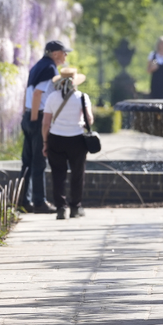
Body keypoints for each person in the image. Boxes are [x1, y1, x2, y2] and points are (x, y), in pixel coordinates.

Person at [20, 40, 71, 214]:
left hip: (27, 115)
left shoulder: (37, 66)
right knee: (38, 162)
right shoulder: (49, 68)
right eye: (64, 53)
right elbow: (37, 93)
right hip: (36, 117)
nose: (65, 56)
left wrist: (27, 117)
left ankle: (23, 201)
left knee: (27, 162)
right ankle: (39, 202)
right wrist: (35, 120)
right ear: (56, 53)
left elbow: (29, 93)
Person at [42, 67, 93, 220]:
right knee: (77, 174)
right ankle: (76, 208)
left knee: (58, 174)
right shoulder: (82, 97)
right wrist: (82, 123)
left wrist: (45, 142)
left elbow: (45, 123)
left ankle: (60, 209)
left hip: (56, 139)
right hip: (77, 139)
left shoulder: (52, 97)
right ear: (75, 82)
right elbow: (89, 119)